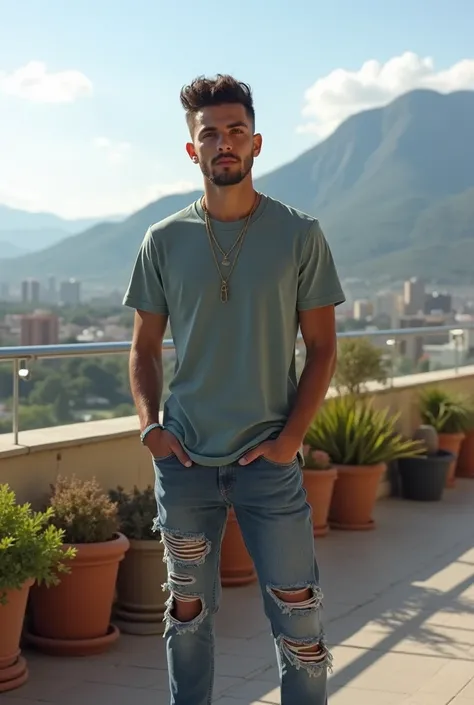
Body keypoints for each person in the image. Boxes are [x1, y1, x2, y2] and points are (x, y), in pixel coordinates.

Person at [123, 73, 345, 705]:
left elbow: (324, 348)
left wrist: (290, 441)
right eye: (210, 133)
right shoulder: (162, 240)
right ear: (192, 150)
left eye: (236, 131)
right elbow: (142, 349)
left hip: (268, 464)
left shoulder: (299, 234)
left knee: (299, 619)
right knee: (187, 615)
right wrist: (152, 429)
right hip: (185, 461)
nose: (225, 143)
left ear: (256, 143)